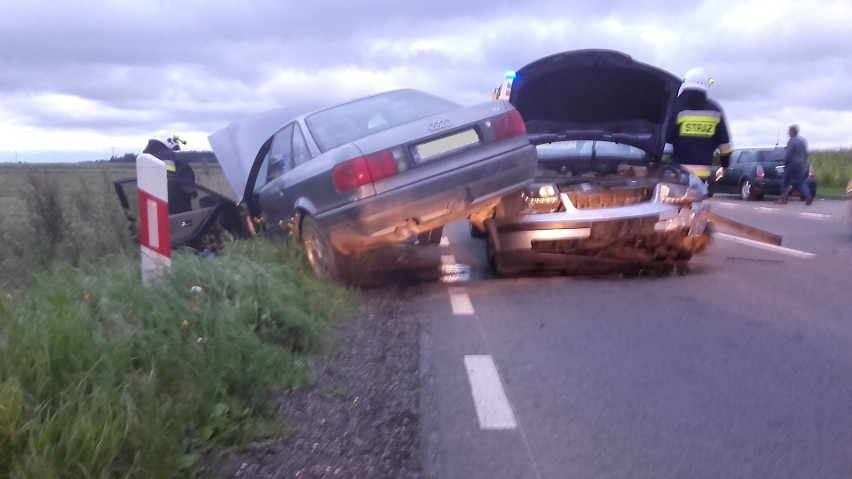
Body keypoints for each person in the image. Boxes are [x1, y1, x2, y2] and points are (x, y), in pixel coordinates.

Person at [665, 67, 733, 178]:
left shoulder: (676, 107)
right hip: (704, 175)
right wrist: (725, 166)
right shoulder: (715, 110)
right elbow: (725, 146)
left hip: (678, 173)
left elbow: (667, 139)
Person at [142, 134, 196, 214]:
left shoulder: (146, 158)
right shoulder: (174, 157)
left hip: (152, 208)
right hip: (176, 208)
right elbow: (188, 183)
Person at [776, 124, 813, 205]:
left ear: (792, 132)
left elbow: (788, 154)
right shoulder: (802, 141)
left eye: (789, 132)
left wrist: (785, 163)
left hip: (792, 164)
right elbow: (806, 153)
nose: (788, 133)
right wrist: (803, 162)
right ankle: (808, 196)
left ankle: (783, 199)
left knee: (785, 181)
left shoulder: (791, 141)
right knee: (802, 181)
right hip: (801, 165)